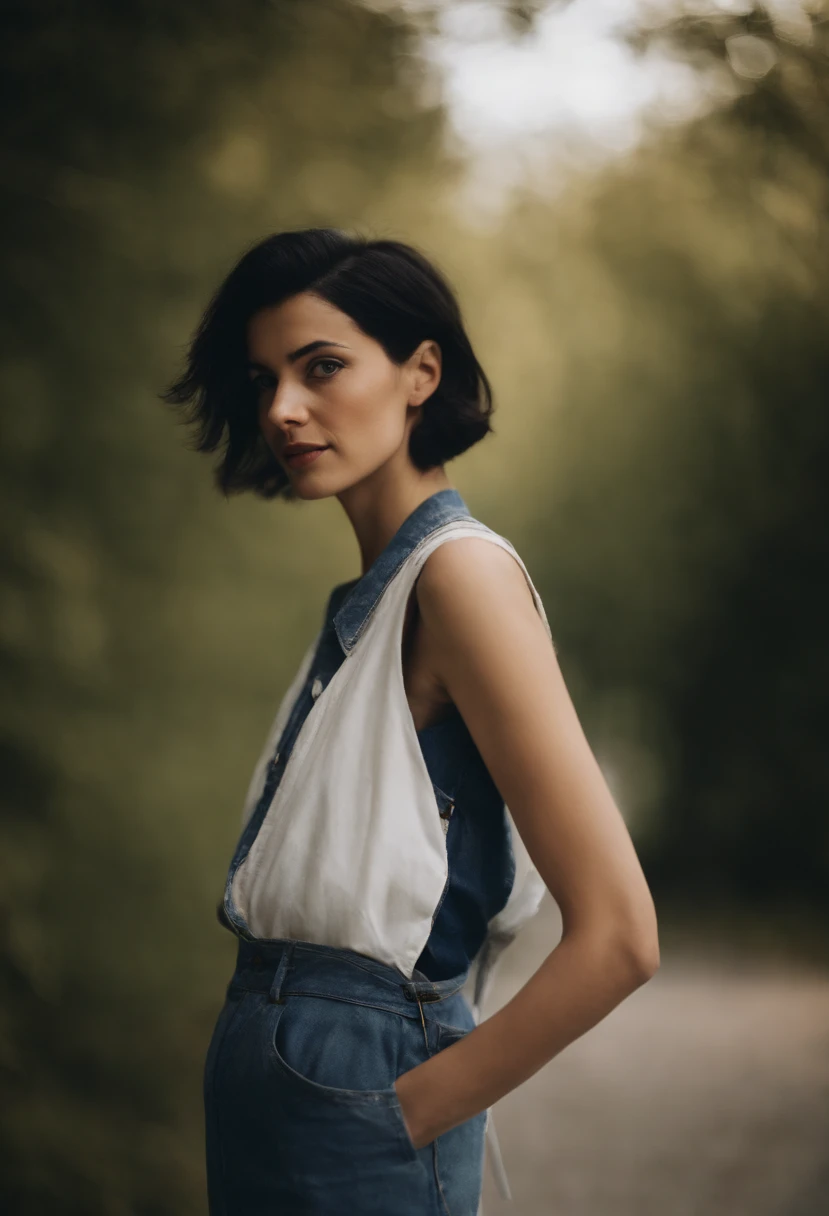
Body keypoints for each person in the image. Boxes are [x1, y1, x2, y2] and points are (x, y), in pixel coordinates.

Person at [163, 227, 660, 1216]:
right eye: (264, 379)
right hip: (271, 1067)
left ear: (420, 371)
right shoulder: (376, 596)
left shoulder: (458, 576)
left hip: (363, 1089)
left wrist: (404, 1112)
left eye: (322, 367)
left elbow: (618, 936)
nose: (283, 409)